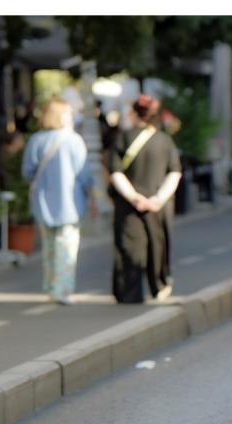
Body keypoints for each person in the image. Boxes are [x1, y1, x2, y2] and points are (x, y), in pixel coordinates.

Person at [21, 97, 96, 305]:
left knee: (49, 247)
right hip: (70, 203)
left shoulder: (36, 140)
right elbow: (85, 175)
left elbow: (27, 172)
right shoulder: (73, 141)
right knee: (67, 248)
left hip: (43, 203)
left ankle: (50, 286)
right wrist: (93, 198)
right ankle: (62, 289)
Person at [109, 94, 182, 303]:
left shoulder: (123, 137)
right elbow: (175, 172)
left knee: (129, 247)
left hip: (128, 204)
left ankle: (128, 292)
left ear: (134, 113)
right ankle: (158, 286)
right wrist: (158, 199)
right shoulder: (164, 140)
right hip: (159, 205)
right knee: (158, 245)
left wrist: (133, 197)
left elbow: (115, 171)